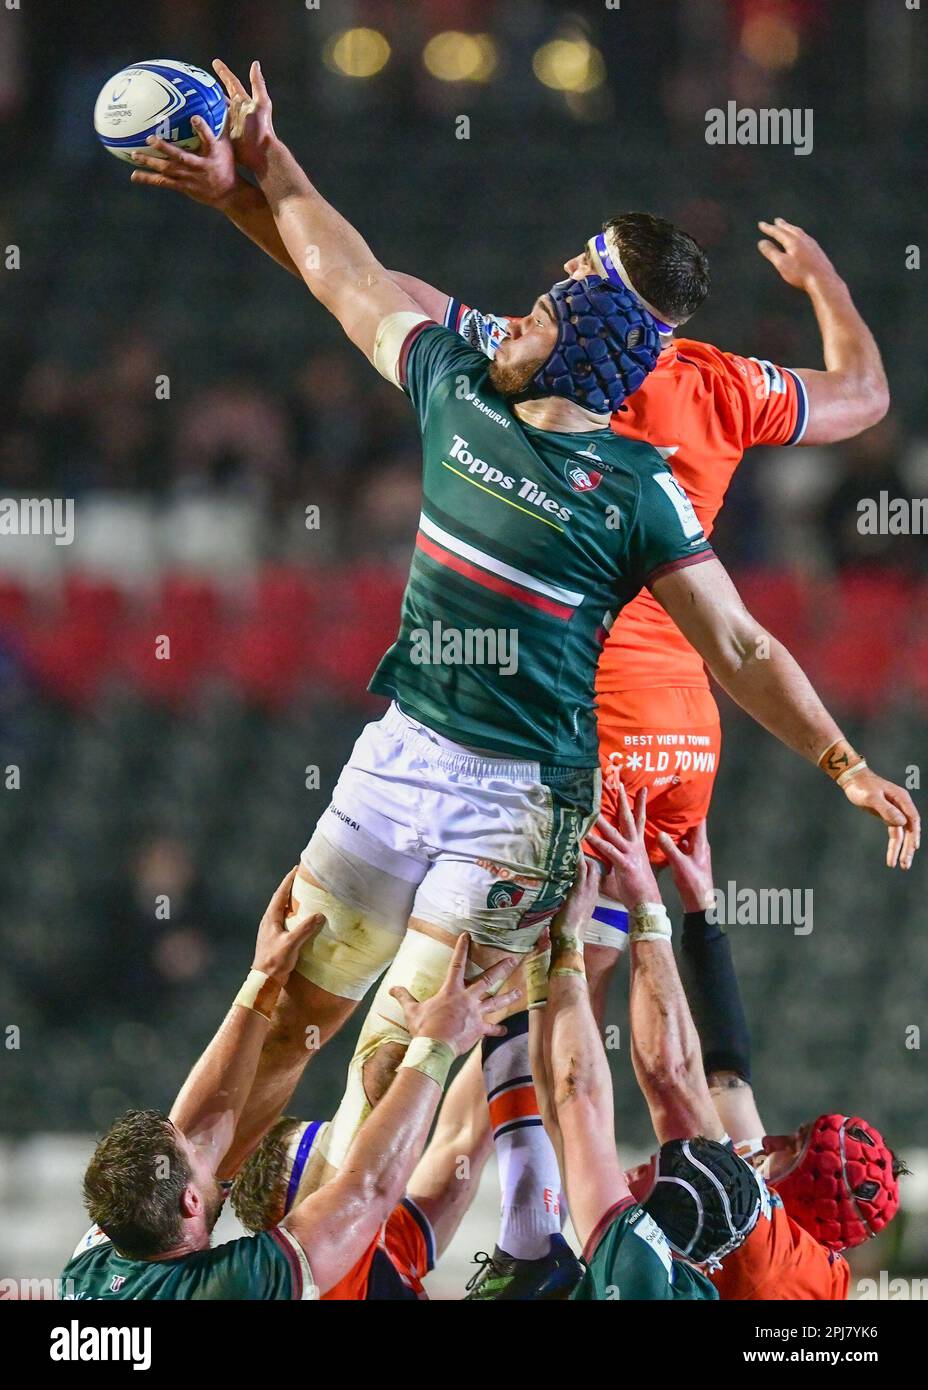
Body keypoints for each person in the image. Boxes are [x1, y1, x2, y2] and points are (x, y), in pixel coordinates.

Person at [129, 60, 918, 1300]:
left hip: (537, 790)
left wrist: (842, 760)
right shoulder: (545, 383)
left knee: (415, 1047)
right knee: (294, 999)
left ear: (586, 331)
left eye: (556, 292)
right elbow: (346, 280)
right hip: (444, 753)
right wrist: (253, 177)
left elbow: (750, 644)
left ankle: (473, 1246)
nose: (529, 298)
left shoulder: (582, 442)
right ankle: (180, 1258)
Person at [61, 871, 519, 1299]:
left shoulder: (105, 1258)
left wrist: (261, 981)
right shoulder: (243, 1283)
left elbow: (446, 1150)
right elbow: (369, 1187)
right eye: (327, 1151)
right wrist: (436, 1046)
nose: (216, 1149)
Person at [655, 818, 906, 1298]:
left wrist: (644, 913)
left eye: (793, 1145)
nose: (769, 1140)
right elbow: (728, 1077)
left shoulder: (765, 1260)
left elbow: (673, 1079)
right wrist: (700, 907)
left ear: (809, 1191)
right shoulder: (784, 1223)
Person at [541, 849, 759, 1300]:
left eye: (652, 1168)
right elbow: (678, 1076)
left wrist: (567, 943)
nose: (636, 1167)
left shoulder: (637, 1263)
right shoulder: (692, 1269)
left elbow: (577, 1093)